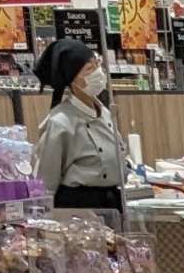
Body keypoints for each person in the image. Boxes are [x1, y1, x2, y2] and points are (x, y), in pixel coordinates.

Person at [35, 38, 125, 213]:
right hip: (79, 205)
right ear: (73, 80)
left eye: (97, 64)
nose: (98, 73)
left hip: (112, 201)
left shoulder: (104, 112)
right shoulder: (60, 122)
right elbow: (47, 179)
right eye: (89, 69)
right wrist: (45, 215)